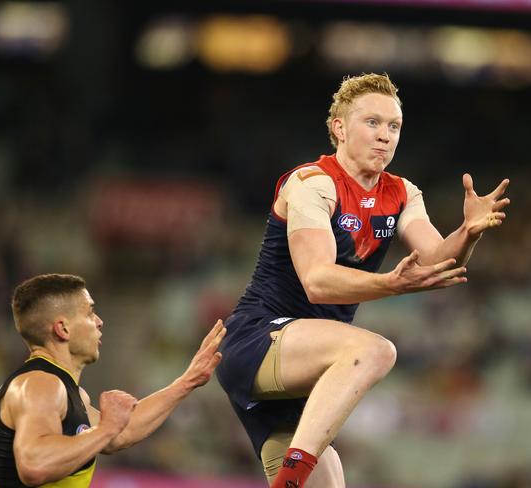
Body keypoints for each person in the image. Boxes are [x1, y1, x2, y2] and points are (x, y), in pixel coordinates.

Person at [215, 72, 510, 488]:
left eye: (394, 127)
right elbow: (317, 280)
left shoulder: (403, 193)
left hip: (306, 371)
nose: (385, 136)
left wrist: (467, 234)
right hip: (259, 340)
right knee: (375, 351)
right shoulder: (312, 184)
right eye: (372, 122)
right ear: (339, 128)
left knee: (330, 481)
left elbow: (439, 263)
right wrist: (391, 284)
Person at [0, 273, 225, 488]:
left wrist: (188, 380)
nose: (99, 321)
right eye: (90, 312)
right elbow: (35, 464)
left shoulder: (67, 391)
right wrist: (105, 429)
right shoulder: (40, 384)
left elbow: (122, 431)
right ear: (63, 329)